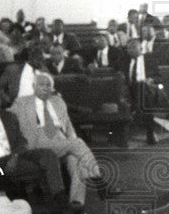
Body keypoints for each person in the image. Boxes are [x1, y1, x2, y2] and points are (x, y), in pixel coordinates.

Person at [10, 73, 107, 205]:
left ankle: (76, 206)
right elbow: (6, 115)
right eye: (41, 84)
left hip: (60, 139)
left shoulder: (58, 101)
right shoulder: (22, 102)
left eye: (48, 85)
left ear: (52, 88)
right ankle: (99, 179)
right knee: (77, 144)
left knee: (76, 162)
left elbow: (67, 124)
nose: (45, 87)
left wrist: (71, 138)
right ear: (34, 86)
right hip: (39, 140)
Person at [122, 39, 159, 145]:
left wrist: (151, 79)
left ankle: (149, 132)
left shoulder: (150, 59)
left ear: (141, 48)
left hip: (146, 88)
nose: (130, 50)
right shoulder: (124, 60)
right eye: (128, 48)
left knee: (143, 89)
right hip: (129, 90)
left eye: (133, 47)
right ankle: (149, 131)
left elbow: (158, 77)